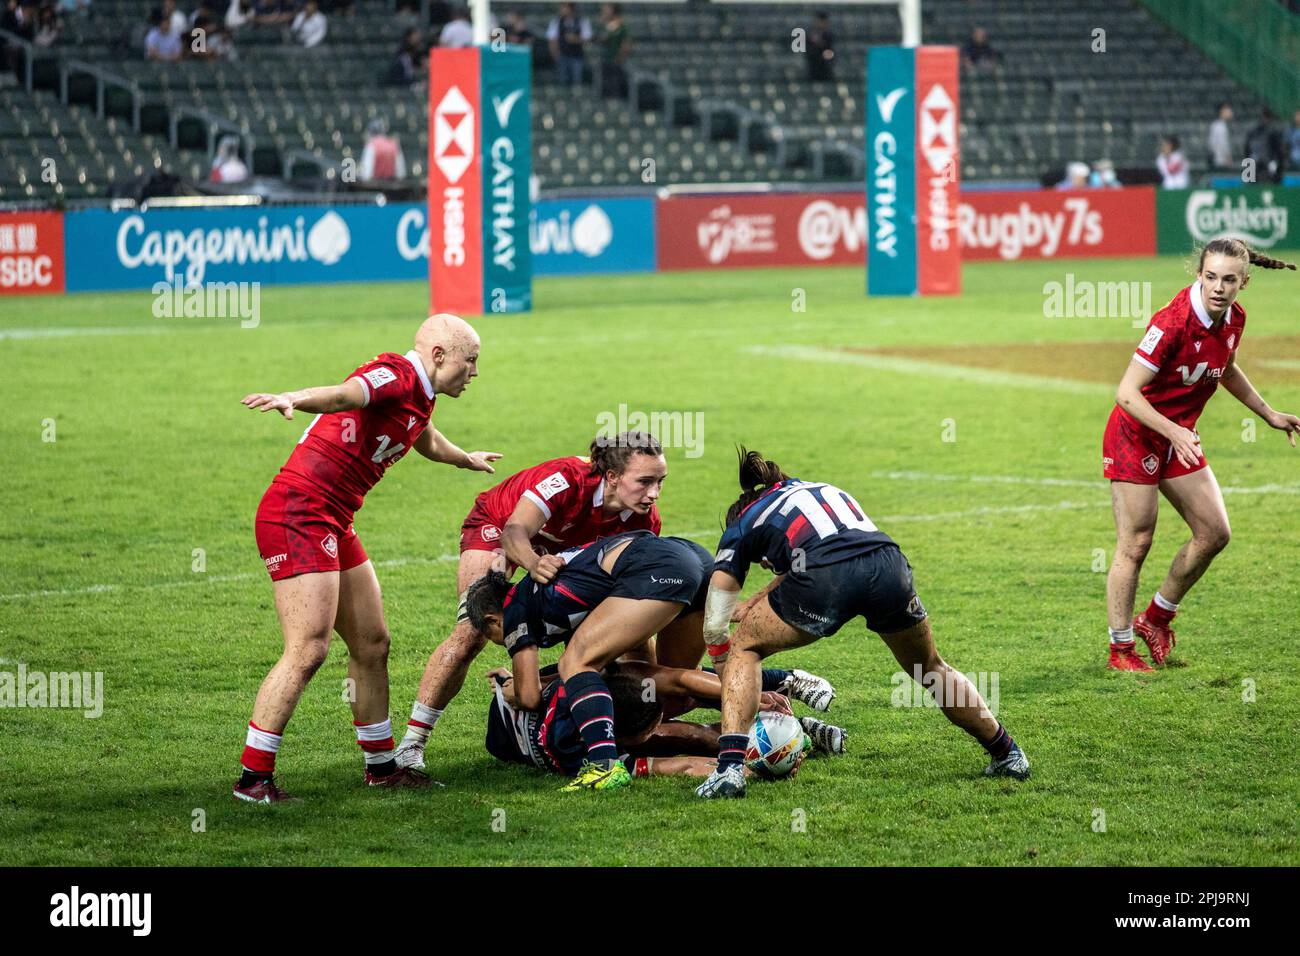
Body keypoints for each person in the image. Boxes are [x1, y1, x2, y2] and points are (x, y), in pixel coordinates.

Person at [233, 314, 502, 803]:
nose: (475, 372)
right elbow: (345, 395)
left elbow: (425, 437)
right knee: (308, 648)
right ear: (440, 355)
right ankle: (253, 779)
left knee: (373, 643)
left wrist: (466, 458)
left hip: (333, 518)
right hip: (298, 514)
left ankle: (381, 767)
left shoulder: (420, 394)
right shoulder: (396, 374)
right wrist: (294, 398)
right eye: (472, 360)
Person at [694, 449, 1030, 799]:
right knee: (930, 667)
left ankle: (730, 770)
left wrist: (723, 665)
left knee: (745, 649)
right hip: (888, 566)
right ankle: (1008, 753)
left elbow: (715, 625)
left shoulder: (741, 525)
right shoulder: (815, 490)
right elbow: (809, 554)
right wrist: (753, 603)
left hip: (825, 576)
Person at [395, 433, 667, 772]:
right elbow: (514, 532)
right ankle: (411, 744)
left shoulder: (645, 520)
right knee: (472, 630)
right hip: (499, 528)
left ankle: (648, 727)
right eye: (645, 481)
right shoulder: (567, 479)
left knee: (633, 638)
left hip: (564, 550)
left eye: (660, 481)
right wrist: (534, 562)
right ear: (612, 477)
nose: (654, 493)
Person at [1102, 239, 1299, 671]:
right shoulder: (1173, 322)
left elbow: (1224, 366)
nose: (1218, 287)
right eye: (1211, 277)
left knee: (1215, 532)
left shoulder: (1235, 319)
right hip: (1137, 434)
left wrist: (1267, 413)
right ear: (1199, 275)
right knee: (1136, 543)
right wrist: (1172, 430)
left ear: (1243, 282)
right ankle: (1121, 650)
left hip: (1178, 438)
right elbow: (1126, 393)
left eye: (1229, 280)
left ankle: (1155, 618)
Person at [464, 529, 723, 791]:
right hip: (694, 557)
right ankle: (760, 700)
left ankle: (604, 766)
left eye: (494, 636)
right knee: (671, 684)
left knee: (575, 663)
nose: (502, 642)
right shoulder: (552, 598)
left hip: (660, 565)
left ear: (493, 620)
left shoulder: (514, 608)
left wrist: (513, 690)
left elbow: (530, 697)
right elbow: (632, 657)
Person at [481, 657, 846, 781]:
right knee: (689, 737)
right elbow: (682, 766)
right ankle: (784, 734)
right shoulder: (582, 757)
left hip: (539, 700)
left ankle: (782, 682)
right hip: (515, 734)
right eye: (649, 726)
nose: (657, 725)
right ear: (615, 737)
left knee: (675, 686)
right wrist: (748, 768)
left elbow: (679, 677)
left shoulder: (581, 684)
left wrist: (745, 692)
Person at [547, 2, 590, 88]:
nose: (562, 10)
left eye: (564, 8)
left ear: (571, 9)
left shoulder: (582, 21)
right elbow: (551, 39)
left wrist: (576, 39)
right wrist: (555, 54)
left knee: (576, 80)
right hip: (562, 55)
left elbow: (587, 38)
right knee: (562, 80)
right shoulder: (556, 21)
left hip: (577, 55)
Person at [1244, 108, 1286, 183]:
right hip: (1262, 165)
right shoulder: (1255, 132)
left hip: (1266, 164)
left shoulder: (1273, 131)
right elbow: (1247, 150)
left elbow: (1279, 151)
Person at [597, 3, 630, 97]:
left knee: (614, 87)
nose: (604, 11)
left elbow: (626, 43)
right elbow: (603, 39)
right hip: (606, 60)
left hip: (615, 61)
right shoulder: (608, 25)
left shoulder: (619, 25)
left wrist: (620, 57)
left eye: (607, 9)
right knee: (606, 88)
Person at [806, 11, 833, 82]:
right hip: (813, 68)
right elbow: (808, 52)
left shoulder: (829, 36)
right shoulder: (809, 35)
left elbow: (830, 52)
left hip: (825, 69)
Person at [1207, 102, 1233, 170]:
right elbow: (1223, 144)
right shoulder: (1220, 126)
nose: (1230, 112)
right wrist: (1228, 158)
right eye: (1228, 110)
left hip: (1217, 160)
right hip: (1220, 162)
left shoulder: (1216, 125)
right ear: (1222, 111)